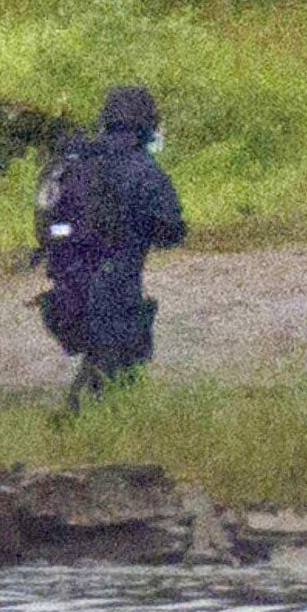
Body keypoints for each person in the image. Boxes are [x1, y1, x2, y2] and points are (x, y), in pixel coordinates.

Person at [35, 85, 186, 408]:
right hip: (115, 291)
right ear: (146, 124)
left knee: (101, 368)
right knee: (115, 375)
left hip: (66, 288)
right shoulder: (141, 168)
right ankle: (81, 433)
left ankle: (83, 427)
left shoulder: (79, 160)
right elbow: (172, 230)